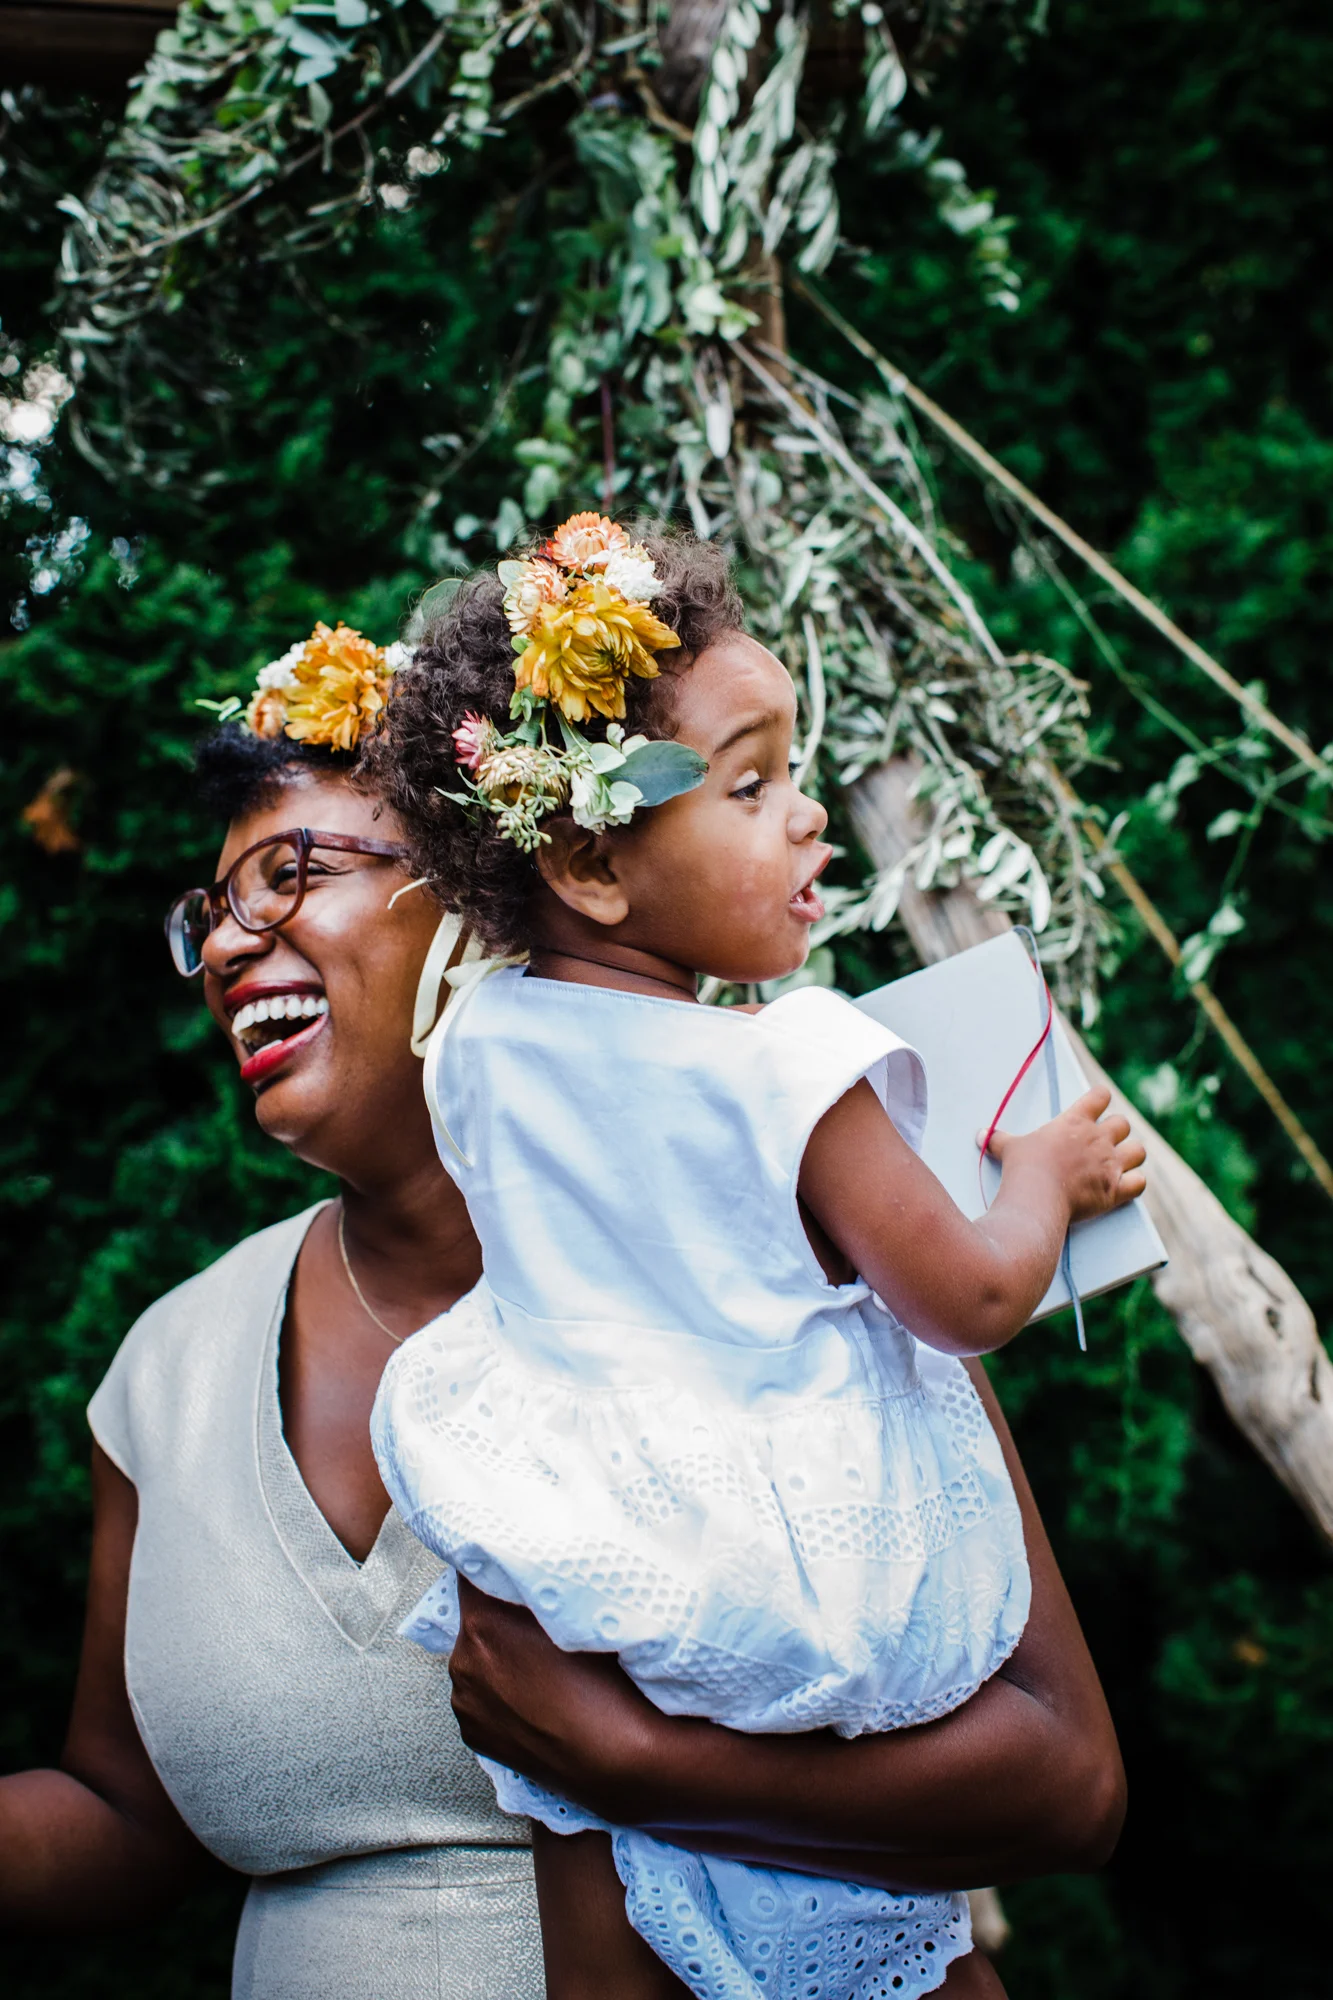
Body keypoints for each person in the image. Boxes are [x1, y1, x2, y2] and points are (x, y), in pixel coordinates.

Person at [0, 616, 1125, 2000]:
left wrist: (648, 1766)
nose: (234, 941)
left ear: (503, 884)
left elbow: (1067, 1780)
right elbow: (125, 1817)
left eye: (291, 872)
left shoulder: (780, 1256)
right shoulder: (170, 1364)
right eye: (214, 908)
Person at [369, 519, 1144, 2000]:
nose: (808, 820)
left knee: (603, 1868)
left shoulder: (475, 1049)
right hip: (792, 1562)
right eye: (753, 783)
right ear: (594, 859)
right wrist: (1042, 1176)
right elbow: (971, 1298)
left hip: (598, 1546)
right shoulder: (792, 1071)